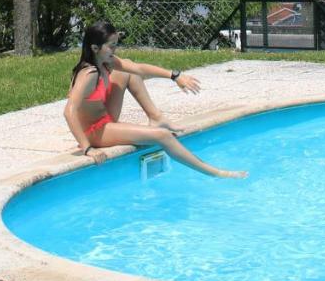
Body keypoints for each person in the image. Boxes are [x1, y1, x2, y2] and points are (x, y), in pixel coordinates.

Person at [63, 20, 247, 179]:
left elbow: (139, 69)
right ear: (95, 48)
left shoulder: (105, 62)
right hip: (94, 132)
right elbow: (69, 111)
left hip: (105, 119)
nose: (114, 50)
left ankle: (156, 117)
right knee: (163, 136)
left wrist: (175, 76)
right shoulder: (89, 73)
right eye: (111, 46)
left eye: (115, 44)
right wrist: (88, 149)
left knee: (129, 70)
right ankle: (214, 172)